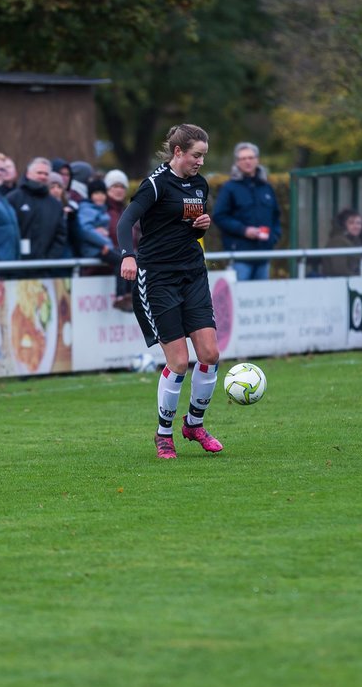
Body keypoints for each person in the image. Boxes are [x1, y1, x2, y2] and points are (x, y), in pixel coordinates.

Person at [117, 124, 223, 459]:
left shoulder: (198, 185)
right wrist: (128, 255)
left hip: (192, 273)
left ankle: (194, 424)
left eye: (204, 156)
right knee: (178, 361)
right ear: (178, 152)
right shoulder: (154, 185)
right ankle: (164, 434)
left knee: (209, 355)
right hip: (158, 278)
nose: (200, 162)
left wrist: (201, 225)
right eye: (196, 155)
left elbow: (185, 228)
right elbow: (125, 222)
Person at [214, 142, 282, 281]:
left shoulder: (266, 187)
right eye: (243, 158)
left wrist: (273, 237)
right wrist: (244, 230)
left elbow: (276, 216)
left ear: (257, 159)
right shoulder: (229, 188)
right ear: (237, 162)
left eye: (250, 157)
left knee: (262, 299)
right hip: (239, 256)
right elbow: (219, 216)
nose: (247, 161)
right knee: (239, 300)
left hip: (263, 256)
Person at [6, 156, 68, 261]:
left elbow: (60, 235)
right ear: (28, 174)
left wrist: (50, 260)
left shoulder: (55, 205)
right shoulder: (13, 199)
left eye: (46, 174)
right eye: (39, 173)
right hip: (16, 266)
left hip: (45, 268)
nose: (43, 177)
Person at [104, 169, 135, 309]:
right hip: (106, 263)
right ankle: (122, 296)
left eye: (122, 186)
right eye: (114, 186)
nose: (119, 190)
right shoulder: (101, 210)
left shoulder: (128, 211)